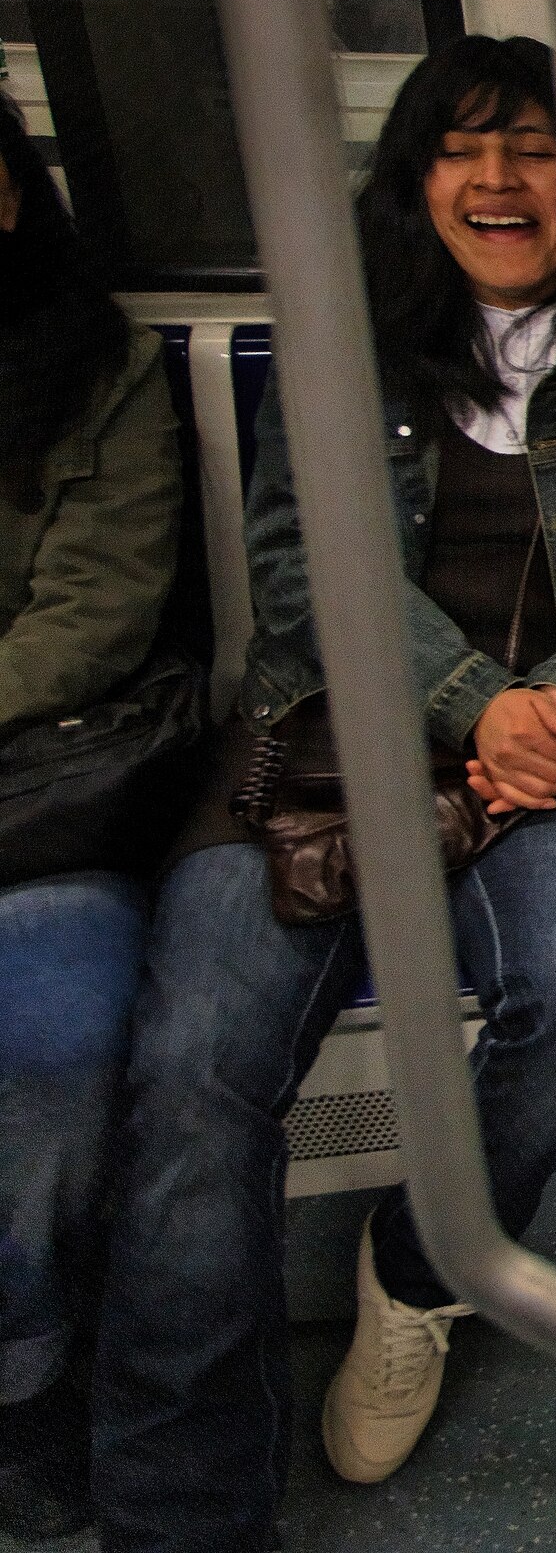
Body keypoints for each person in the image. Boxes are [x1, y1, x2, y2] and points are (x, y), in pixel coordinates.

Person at [89, 37, 556, 1551]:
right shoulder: (340, 340)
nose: (501, 181)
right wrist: (475, 706)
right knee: (195, 1069)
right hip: (327, 753)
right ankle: (181, 1509)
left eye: (534, 147)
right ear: (415, 183)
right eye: (463, 151)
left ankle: (424, 1265)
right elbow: (301, 577)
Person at [0, 89, 183, 1543]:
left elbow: (95, 620)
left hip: (36, 799)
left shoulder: (93, 366)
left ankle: (30, 1369)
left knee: (56, 1036)